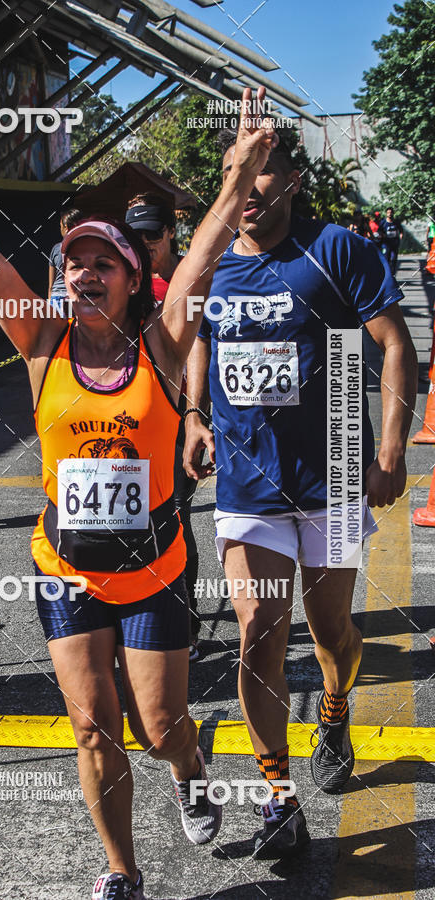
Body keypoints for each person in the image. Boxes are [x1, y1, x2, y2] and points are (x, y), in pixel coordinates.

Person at [0, 85, 277, 897]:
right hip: (67, 568)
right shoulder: (40, 342)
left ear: (133, 279)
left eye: (103, 262)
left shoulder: (165, 347)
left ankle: (189, 769)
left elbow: (202, 253)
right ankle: (122, 872)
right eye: (73, 262)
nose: (83, 273)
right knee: (94, 728)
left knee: (160, 725)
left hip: (157, 567)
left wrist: (239, 170)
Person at [183, 127, 417, 859]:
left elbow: (395, 343)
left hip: (333, 482)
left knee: (330, 635)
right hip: (248, 488)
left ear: (289, 181)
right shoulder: (213, 255)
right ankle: (278, 798)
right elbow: (193, 334)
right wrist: (193, 414)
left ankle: (337, 707)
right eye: (232, 172)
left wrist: (390, 449)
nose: (244, 186)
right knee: (257, 634)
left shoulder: (337, 248)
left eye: (258, 171)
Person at [125, 194, 202, 661]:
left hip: (178, 420)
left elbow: (197, 349)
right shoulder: (125, 279)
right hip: (132, 416)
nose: (147, 244)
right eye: (138, 236)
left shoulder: (185, 278)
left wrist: (193, 415)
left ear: (170, 232)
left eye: (154, 234)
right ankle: (136, 618)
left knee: (173, 516)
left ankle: (184, 621)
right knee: (132, 522)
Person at [48, 207, 85, 316]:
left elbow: (51, 284)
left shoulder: (56, 249)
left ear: (66, 227)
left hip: (57, 298)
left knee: (60, 332)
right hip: (76, 297)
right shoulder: (85, 249)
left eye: (60, 226)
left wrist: (51, 303)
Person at [379, 206, 403, 273]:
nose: (389, 214)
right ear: (386, 214)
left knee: (393, 258)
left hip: (394, 243)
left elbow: (401, 230)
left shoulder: (396, 222)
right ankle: (386, 272)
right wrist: (381, 235)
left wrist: (401, 235)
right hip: (386, 243)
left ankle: (392, 272)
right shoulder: (383, 222)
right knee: (386, 258)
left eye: (391, 212)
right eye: (388, 212)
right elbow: (379, 231)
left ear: (393, 213)